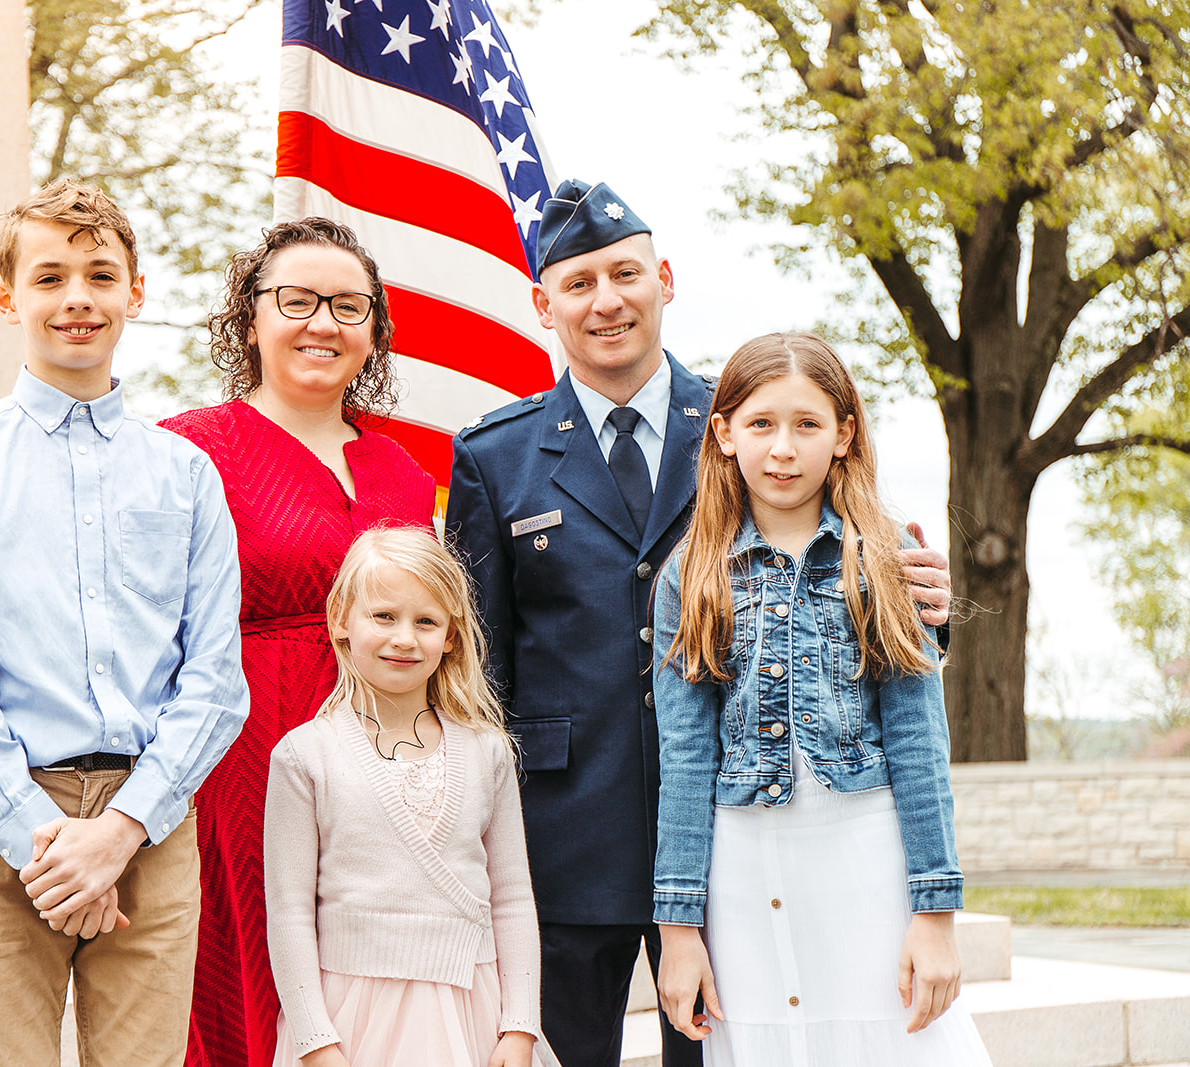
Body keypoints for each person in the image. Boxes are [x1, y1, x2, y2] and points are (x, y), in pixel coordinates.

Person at [444, 180, 953, 1067]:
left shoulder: (752, 416)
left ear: (664, 278)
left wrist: (928, 616)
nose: (606, 300)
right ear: (543, 303)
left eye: (625, 273)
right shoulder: (496, 455)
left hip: (736, 837)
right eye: (578, 282)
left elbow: (848, 586)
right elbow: (482, 673)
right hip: (570, 829)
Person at [0, 178, 249, 1067]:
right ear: (8, 297)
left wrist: (121, 832)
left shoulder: (187, 475)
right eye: (50, 277)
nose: (77, 298)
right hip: (4, 818)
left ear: (136, 291)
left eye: (100, 274)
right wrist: (42, 845)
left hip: (152, 819)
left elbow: (214, 676)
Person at [650, 332, 991, 1066]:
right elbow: (683, 757)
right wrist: (679, 932)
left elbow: (918, 741)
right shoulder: (692, 573)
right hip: (744, 867)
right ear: (724, 433)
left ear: (843, 434)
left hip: (866, 855)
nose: (782, 448)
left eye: (807, 424)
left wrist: (935, 913)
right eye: (761, 423)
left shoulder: (887, 557)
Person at [161, 218, 437, 1067]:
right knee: (261, 977)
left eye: (349, 305)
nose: (324, 321)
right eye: (298, 299)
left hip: (392, 755)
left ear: (374, 330)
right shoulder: (189, 450)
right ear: (251, 318)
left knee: (376, 980)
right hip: (247, 753)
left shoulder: (402, 468)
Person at [265, 526, 560, 1067]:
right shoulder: (303, 756)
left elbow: (512, 898)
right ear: (341, 623)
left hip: (471, 1013)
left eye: (426, 621)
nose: (405, 638)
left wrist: (520, 1026)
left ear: (451, 635)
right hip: (350, 1022)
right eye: (384, 617)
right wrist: (314, 1040)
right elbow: (287, 912)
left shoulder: (487, 751)